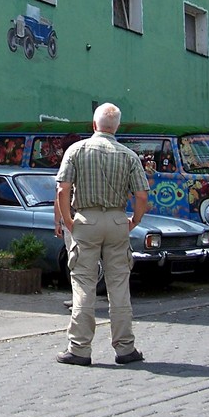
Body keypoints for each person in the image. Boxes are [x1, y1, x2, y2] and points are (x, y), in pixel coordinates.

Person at [55, 103, 148, 366]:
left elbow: (63, 190)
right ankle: (125, 348)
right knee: (119, 284)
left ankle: (80, 349)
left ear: (94, 125)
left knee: (83, 283)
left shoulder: (77, 150)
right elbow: (141, 195)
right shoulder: (129, 155)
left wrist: (69, 221)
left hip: (86, 218)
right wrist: (133, 220)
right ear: (117, 127)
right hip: (118, 219)